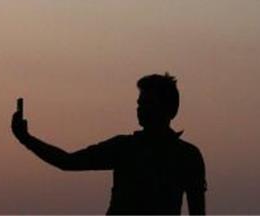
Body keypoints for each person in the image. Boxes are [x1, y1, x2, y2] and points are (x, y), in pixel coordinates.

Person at [11, 73, 206, 215]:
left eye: (147, 103)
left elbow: (197, 211)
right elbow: (68, 161)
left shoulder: (187, 156)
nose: (140, 109)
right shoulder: (125, 148)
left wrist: (26, 139)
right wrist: (26, 139)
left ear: (168, 109)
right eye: (139, 104)